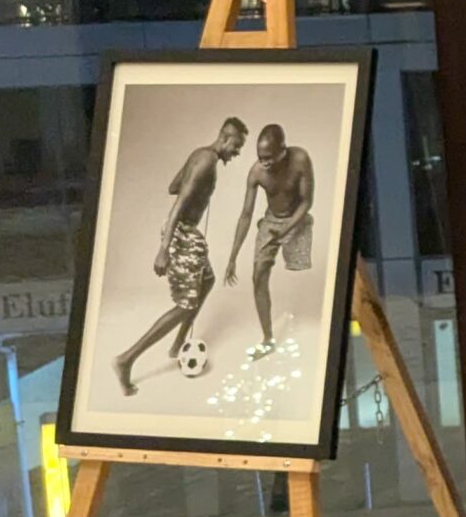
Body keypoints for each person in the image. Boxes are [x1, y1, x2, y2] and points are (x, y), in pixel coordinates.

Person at [113, 116, 245, 395]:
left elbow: (173, 187)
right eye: (237, 145)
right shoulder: (207, 161)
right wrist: (164, 248)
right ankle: (127, 359)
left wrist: (195, 187)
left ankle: (178, 341)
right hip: (181, 234)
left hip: (186, 233)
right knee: (185, 305)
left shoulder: (200, 154)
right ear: (226, 137)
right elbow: (180, 202)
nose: (237, 152)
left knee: (206, 280)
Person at [224, 122, 315, 359]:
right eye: (260, 157)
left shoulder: (300, 159)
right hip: (272, 223)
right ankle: (267, 339)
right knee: (258, 277)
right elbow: (246, 215)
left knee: (302, 269)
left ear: (283, 151)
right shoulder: (256, 172)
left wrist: (288, 227)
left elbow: (306, 201)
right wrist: (232, 257)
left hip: (297, 221)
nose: (264, 162)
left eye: (269, 158)